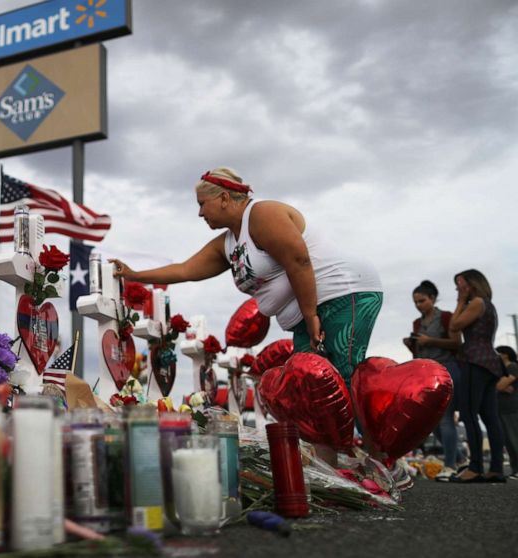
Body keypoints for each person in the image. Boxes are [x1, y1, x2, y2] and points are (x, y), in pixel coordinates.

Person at [110, 168, 383, 462]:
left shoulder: (262, 214)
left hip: (343, 292)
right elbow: (185, 270)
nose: (200, 213)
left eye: (202, 204)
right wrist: (135, 274)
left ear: (225, 198)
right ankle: (333, 468)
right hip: (312, 310)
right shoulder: (228, 243)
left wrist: (310, 313)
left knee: (342, 374)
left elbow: (299, 259)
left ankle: (377, 460)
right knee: (309, 388)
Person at [449, 269, 507, 483]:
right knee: (490, 416)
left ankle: (475, 468)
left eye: (460, 284)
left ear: (471, 285)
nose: (457, 288)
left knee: (468, 412)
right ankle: (496, 468)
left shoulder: (476, 303)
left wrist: (460, 301)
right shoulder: (488, 305)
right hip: (490, 362)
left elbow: (454, 326)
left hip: (476, 361)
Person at [402, 280, 464, 481]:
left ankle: (450, 465)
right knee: (431, 422)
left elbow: (457, 343)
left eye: (421, 301)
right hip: (426, 372)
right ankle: (460, 458)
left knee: (445, 418)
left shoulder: (446, 317)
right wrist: (412, 345)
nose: (418, 305)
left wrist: (431, 341)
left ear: (433, 298)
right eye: (415, 302)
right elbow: (419, 351)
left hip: (447, 369)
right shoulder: (417, 323)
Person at [494, 345, 518, 480]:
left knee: (514, 439)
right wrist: (501, 386)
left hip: (511, 408)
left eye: (498, 353)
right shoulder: (500, 371)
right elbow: (500, 385)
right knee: (509, 441)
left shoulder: (512, 366)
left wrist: (499, 385)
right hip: (501, 408)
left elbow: (498, 385)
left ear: (505, 354)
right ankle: (515, 469)